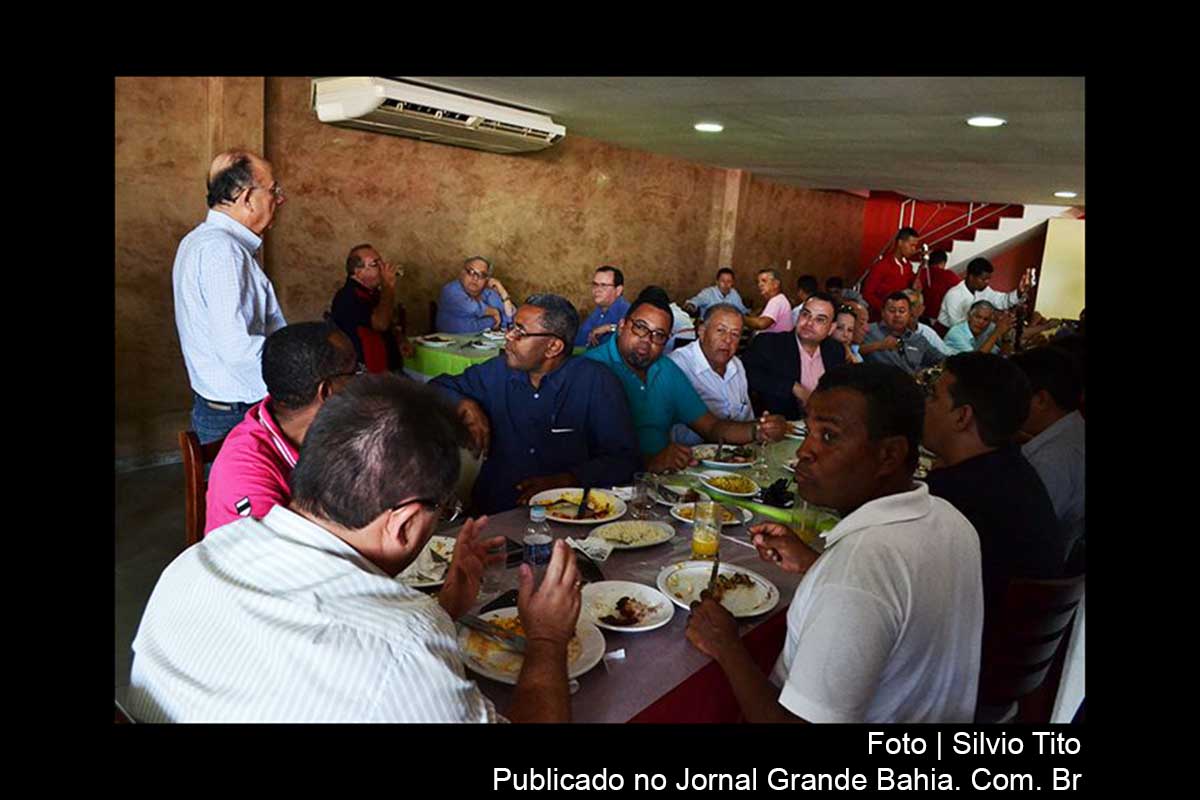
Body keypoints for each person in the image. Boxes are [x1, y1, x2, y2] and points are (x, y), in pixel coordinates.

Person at [128, 375, 583, 722]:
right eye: (442, 510)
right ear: (403, 523)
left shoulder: (199, 558)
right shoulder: (406, 649)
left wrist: (445, 606)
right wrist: (547, 637)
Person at [685, 363, 984, 723]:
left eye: (829, 437)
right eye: (809, 431)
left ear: (889, 455)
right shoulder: (952, 520)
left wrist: (727, 646)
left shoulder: (858, 572)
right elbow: (895, 608)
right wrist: (818, 565)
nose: (804, 452)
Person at [430, 295, 639, 513]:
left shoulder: (596, 382)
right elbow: (434, 388)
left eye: (520, 331)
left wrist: (567, 481)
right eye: (511, 327)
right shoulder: (496, 372)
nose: (508, 336)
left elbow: (624, 460)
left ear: (553, 347)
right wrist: (463, 404)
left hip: (567, 516)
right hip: (494, 512)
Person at [922, 353, 1066, 644]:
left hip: (969, 658)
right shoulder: (1013, 469)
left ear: (963, 416)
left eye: (934, 397)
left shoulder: (956, 496)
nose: (924, 406)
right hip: (1010, 655)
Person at [584, 288, 786, 472]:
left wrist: (758, 429)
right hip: (601, 491)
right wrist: (648, 462)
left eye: (659, 335)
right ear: (621, 326)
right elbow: (580, 451)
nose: (647, 339)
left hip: (658, 482)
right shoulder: (590, 367)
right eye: (639, 327)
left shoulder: (666, 370)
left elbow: (711, 427)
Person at [173, 149, 288, 443]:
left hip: (222, 406)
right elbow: (238, 349)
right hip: (238, 413)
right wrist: (296, 385)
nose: (280, 199)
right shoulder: (222, 252)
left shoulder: (200, 241)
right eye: (274, 190)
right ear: (248, 198)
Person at [205, 321, 360, 534]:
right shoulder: (244, 472)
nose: (363, 381)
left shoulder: (332, 426)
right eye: (355, 372)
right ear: (327, 392)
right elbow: (271, 560)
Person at [1011, 347, 1086, 559]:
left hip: (1029, 575)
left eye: (1016, 395)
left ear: (1041, 400)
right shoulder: (1073, 430)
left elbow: (1021, 533)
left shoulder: (1052, 461)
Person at [743, 292, 846, 419]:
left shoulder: (835, 350)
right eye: (805, 314)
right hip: (782, 427)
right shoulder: (769, 344)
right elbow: (748, 375)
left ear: (831, 328)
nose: (809, 323)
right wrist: (792, 386)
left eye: (820, 320)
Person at [668, 303, 756, 445]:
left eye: (735, 334)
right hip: (690, 458)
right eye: (721, 330)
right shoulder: (678, 365)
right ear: (702, 331)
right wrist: (756, 430)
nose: (728, 340)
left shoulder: (737, 366)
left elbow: (747, 419)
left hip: (736, 456)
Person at [330, 243, 406, 373]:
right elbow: (380, 324)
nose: (383, 269)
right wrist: (388, 286)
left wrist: (400, 340)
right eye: (376, 264)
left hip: (389, 369)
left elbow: (387, 323)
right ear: (358, 272)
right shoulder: (348, 297)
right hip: (367, 375)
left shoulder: (372, 293)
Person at [860, 292, 944, 375]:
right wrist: (878, 346)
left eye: (902, 311)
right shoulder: (868, 331)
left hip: (913, 384)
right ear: (883, 312)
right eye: (892, 311)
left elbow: (942, 360)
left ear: (909, 314)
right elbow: (851, 350)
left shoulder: (918, 339)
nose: (897, 315)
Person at [938, 257, 1030, 330]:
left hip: (973, 332)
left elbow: (1002, 301)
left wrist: (1019, 291)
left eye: (988, 279)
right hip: (948, 334)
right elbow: (957, 326)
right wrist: (991, 320)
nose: (987, 282)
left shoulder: (984, 290)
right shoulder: (954, 295)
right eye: (983, 279)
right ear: (971, 277)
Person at [435, 256, 516, 333]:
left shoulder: (488, 293)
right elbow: (467, 325)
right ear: (462, 273)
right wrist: (494, 314)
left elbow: (511, 319)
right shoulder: (450, 290)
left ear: (487, 279)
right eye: (471, 272)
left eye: (482, 275)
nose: (475, 278)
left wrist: (502, 290)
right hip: (449, 344)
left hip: (483, 345)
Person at [862, 227, 922, 321]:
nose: (913, 249)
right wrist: (886, 309)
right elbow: (867, 293)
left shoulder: (907, 266)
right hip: (880, 319)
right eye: (911, 245)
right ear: (900, 243)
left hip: (900, 319)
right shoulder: (882, 265)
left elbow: (913, 286)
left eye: (915, 246)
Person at [575, 265, 631, 348]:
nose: (597, 290)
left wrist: (610, 328)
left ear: (618, 290)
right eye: (595, 284)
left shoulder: (628, 311)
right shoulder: (599, 310)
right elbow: (580, 339)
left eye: (603, 285)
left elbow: (631, 332)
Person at [944, 300, 1011, 355]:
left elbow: (1004, 355)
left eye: (986, 319)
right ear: (969, 316)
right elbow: (975, 361)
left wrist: (1005, 335)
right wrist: (996, 332)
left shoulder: (989, 328)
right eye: (978, 317)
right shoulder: (956, 334)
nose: (981, 322)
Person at [914, 249, 960, 327]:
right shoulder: (949, 275)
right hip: (939, 319)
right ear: (943, 263)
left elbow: (914, 287)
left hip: (921, 316)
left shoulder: (922, 273)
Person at [903, 289, 953, 357]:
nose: (907, 310)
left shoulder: (928, 332)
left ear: (921, 310)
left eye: (912, 305)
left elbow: (946, 355)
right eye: (903, 306)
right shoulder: (887, 333)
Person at [743, 268, 795, 334]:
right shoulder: (779, 299)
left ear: (776, 284)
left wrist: (740, 318)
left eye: (764, 281)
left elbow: (761, 324)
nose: (760, 284)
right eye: (758, 282)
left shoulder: (777, 301)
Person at [684, 267, 750, 318]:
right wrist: (691, 306)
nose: (726, 284)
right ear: (717, 282)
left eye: (729, 281)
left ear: (733, 283)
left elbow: (742, 310)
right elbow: (695, 302)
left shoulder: (734, 294)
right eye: (722, 281)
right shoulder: (708, 293)